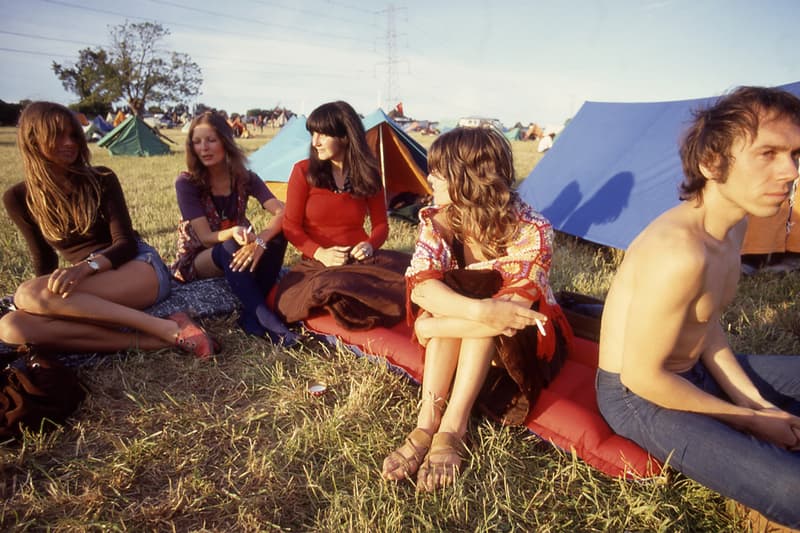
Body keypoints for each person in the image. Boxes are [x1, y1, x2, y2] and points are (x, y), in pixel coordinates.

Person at [596, 86, 800, 529]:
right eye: (768, 153)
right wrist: (749, 420)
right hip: (638, 394)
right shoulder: (679, 252)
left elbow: (705, 325)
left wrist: (755, 401)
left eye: (793, 154)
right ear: (712, 163)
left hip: (692, 371)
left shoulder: (734, 224)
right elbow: (642, 376)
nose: (789, 171)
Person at [382, 127, 572, 492]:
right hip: (484, 324)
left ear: (470, 177)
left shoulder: (533, 229)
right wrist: (479, 311)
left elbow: (511, 317)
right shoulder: (440, 220)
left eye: (440, 169)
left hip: (528, 338)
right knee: (466, 289)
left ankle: (454, 426)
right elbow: (422, 288)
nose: (430, 176)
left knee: (479, 292)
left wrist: (431, 328)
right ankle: (427, 423)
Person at [0, 101, 217, 358]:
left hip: (135, 265)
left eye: (73, 134)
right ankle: (159, 341)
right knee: (12, 327)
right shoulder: (18, 197)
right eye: (58, 135)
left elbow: (125, 243)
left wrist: (85, 268)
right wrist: (49, 306)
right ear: (34, 140)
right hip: (89, 282)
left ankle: (164, 328)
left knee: (26, 292)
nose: (70, 142)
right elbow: (44, 260)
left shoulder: (100, 179)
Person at [274, 101, 409, 330]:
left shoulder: (369, 174)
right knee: (330, 286)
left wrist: (369, 245)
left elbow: (380, 225)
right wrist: (321, 253)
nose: (315, 142)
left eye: (323, 135)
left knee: (411, 271)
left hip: (361, 260)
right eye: (313, 134)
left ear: (345, 136)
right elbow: (291, 228)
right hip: (318, 265)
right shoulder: (303, 171)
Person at [171, 111, 295, 345]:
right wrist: (233, 231)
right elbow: (207, 238)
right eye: (196, 142)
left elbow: (282, 211)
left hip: (240, 247)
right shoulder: (186, 183)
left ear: (225, 141)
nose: (204, 148)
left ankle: (250, 317)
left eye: (211, 140)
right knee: (228, 245)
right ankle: (268, 321)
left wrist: (261, 240)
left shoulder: (245, 178)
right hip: (200, 258)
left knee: (278, 237)